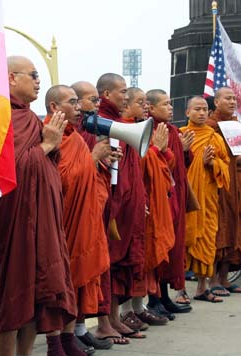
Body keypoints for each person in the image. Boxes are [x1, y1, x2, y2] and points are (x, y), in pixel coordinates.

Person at [0, 56, 76, 356]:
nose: (39, 81)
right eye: (33, 75)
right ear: (11, 78)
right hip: (13, 220)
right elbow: (8, 173)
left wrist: (50, 148)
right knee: (13, 294)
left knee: (38, 297)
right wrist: (47, 146)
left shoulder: (32, 118)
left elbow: (44, 166)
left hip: (42, 218)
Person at [45, 85, 122, 353]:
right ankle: (58, 341)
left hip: (84, 219)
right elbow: (59, 179)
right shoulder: (50, 136)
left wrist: (102, 163)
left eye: (80, 103)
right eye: (73, 102)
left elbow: (87, 180)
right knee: (62, 282)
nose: (79, 108)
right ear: (54, 108)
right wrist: (93, 158)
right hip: (63, 221)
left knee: (80, 280)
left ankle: (73, 335)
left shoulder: (75, 138)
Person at [94, 73, 147, 343]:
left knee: (120, 264)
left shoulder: (121, 125)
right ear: (106, 95)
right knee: (108, 264)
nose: (124, 96)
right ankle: (104, 321)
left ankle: (114, 317)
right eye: (121, 91)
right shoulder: (100, 124)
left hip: (126, 206)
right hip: (110, 206)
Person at [119, 88, 172, 330]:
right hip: (134, 205)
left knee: (143, 258)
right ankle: (126, 311)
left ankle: (140, 308)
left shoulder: (143, 127)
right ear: (126, 104)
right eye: (139, 103)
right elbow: (132, 165)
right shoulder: (122, 128)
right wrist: (155, 150)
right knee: (131, 259)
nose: (144, 107)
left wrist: (162, 151)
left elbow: (161, 167)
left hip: (149, 201)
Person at [69, 81, 114, 350]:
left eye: (97, 101)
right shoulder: (67, 135)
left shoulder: (87, 133)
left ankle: (81, 327)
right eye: (90, 101)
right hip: (73, 214)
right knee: (77, 271)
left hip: (93, 209)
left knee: (92, 272)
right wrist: (92, 156)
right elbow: (65, 174)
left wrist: (103, 159)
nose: (95, 106)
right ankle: (67, 334)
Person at [145, 89, 193, 318]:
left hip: (176, 194)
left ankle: (164, 297)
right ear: (151, 109)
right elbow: (153, 167)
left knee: (172, 247)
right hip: (160, 197)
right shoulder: (147, 131)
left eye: (171, 104)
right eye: (165, 104)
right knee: (159, 244)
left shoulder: (174, 131)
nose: (170, 108)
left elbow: (182, 167)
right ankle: (154, 300)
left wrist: (184, 151)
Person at [206, 87, 241, 296]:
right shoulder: (210, 128)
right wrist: (237, 161)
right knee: (220, 228)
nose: (233, 102)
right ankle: (213, 280)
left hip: (239, 186)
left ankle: (225, 278)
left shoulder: (238, 126)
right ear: (216, 102)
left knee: (236, 227)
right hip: (221, 187)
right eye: (228, 98)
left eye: (235, 98)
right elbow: (211, 159)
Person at [181, 96, 230, 303]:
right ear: (187, 113)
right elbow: (171, 165)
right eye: (197, 109)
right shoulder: (180, 135)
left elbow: (225, 167)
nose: (201, 113)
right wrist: (185, 153)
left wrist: (212, 163)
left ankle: (202, 287)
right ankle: (180, 289)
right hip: (186, 196)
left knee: (207, 238)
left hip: (207, 197)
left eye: (204, 110)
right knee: (183, 240)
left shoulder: (214, 137)